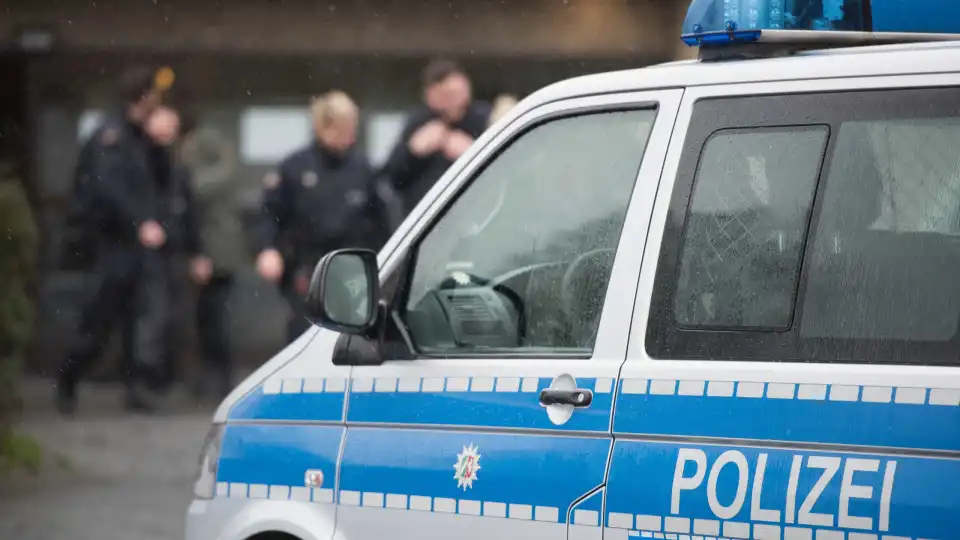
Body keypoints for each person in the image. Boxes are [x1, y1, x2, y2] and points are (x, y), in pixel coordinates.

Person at [55, 66, 166, 414]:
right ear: (144, 96)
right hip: (111, 245)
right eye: (155, 95)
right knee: (98, 321)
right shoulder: (112, 135)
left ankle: (134, 391)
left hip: (135, 247)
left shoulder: (140, 136)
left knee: (136, 320)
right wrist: (139, 223)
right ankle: (67, 382)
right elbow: (108, 188)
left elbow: (156, 184)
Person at [254, 91, 387, 343]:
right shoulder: (295, 167)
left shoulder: (363, 169)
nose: (350, 135)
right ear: (323, 127)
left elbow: (384, 219)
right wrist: (267, 249)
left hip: (352, 269)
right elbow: (270, 213)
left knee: (351, 339)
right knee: (305, 336)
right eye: (343, 128)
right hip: (307, 268)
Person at [142, 105, 207, 395]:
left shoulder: (177, 169)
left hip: (173, 253)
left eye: (173, 126)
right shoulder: (140, 160)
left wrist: (197, 252)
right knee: (150, 318)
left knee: (171, 318)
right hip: (140, 253)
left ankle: (160, 381)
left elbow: (189, 212)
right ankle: (145, 381)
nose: (168, 132)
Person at [178, 117, 244, 400]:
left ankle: (217, 378)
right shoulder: (204, 151)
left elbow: (197, 191)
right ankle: (209, 378)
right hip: (205, 249)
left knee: (214, 318)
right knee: (206, 319)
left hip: (214, 250)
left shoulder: (201, 147)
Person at [378, 59, 491, 223]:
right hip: (426, 219)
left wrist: (474, 152)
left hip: (474, 214)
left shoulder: (482, 119)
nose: (460, 101)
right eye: (450, 95)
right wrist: (413, 151)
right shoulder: (419, 122)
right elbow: (391, 178)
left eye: (462, 93)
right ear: (431, 94)